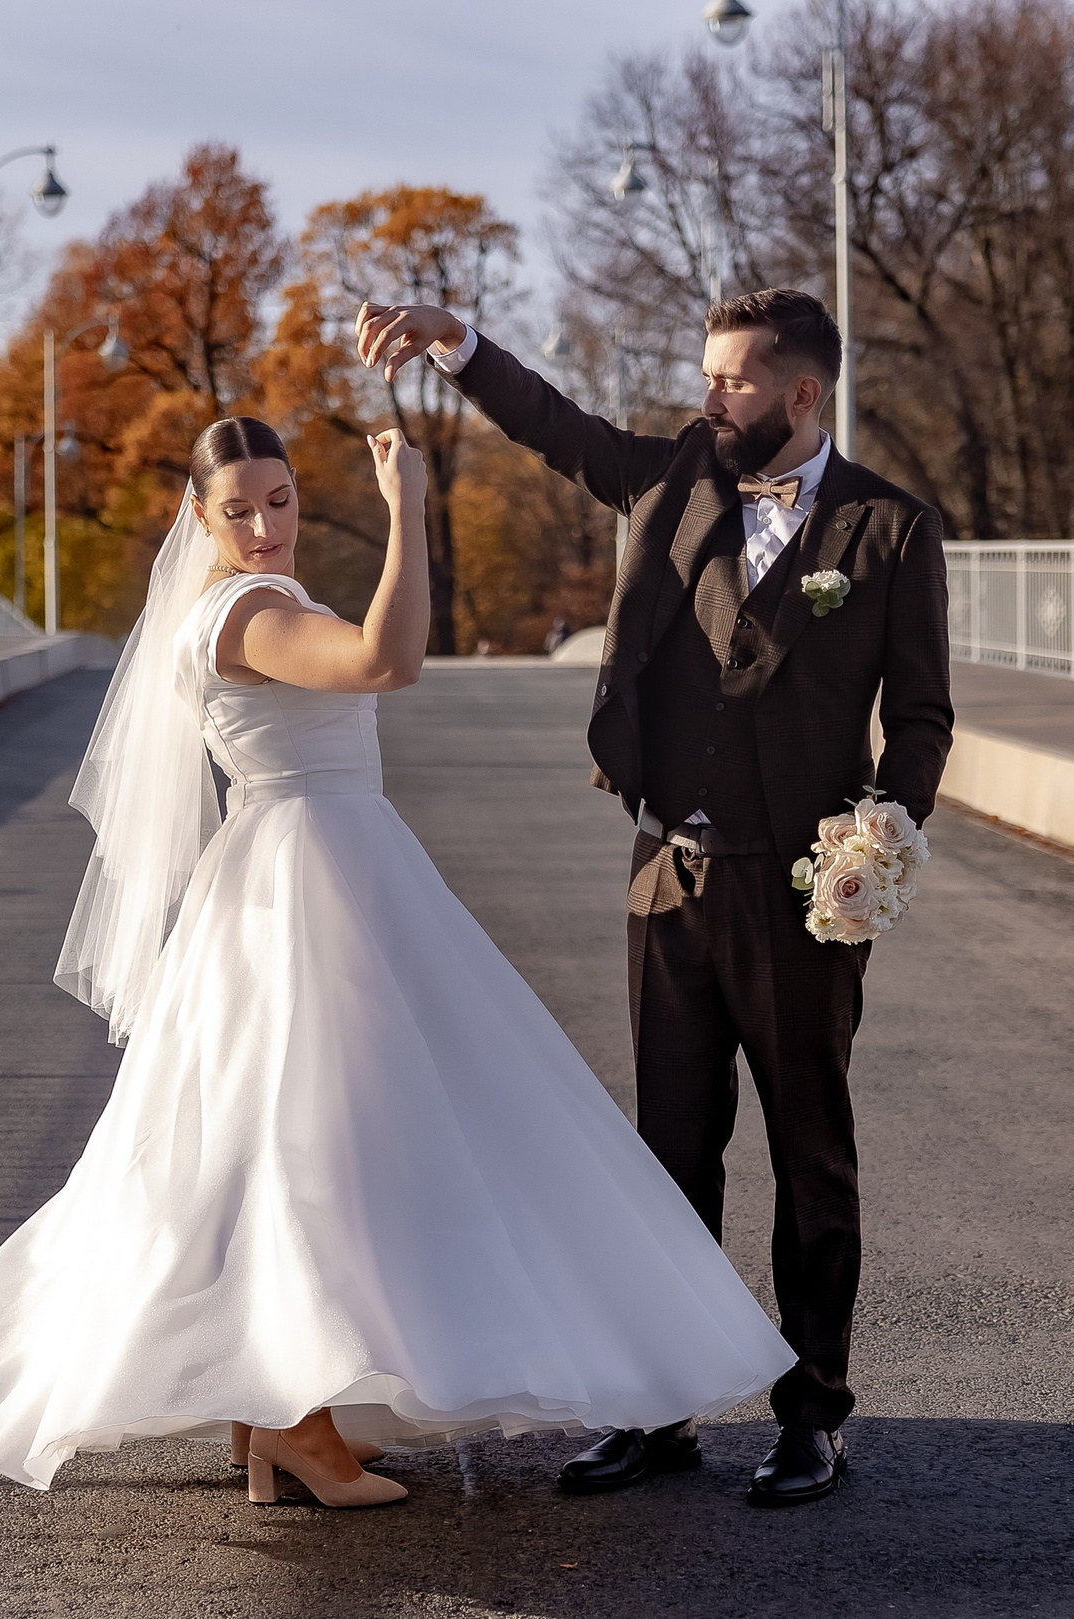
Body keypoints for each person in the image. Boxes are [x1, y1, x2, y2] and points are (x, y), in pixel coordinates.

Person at [0, 417, 795, 1506]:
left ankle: (270, 1413)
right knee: (306, 1144)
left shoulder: (249, 601)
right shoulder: (249, 610)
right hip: (304, 875)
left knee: (306, 1140)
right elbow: (385, 660)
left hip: (320, 861)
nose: (266, 523)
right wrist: (407, 505)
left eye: (281, 497)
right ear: (200, 518)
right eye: (239, 508)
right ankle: (291, 1418)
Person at [356, 288, 955, 1506]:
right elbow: (553, 424)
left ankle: (813, 1414)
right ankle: (658, 1405)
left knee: (809, 1156)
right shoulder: (677, 474)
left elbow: (925, 714)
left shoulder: (892, 530)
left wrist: (878, 842)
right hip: (667, 876)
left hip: (801, 894)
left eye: (734, 379)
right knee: (667, 1158)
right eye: (708, 375)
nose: (710, 396)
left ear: (802, 392)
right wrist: (454, 341)